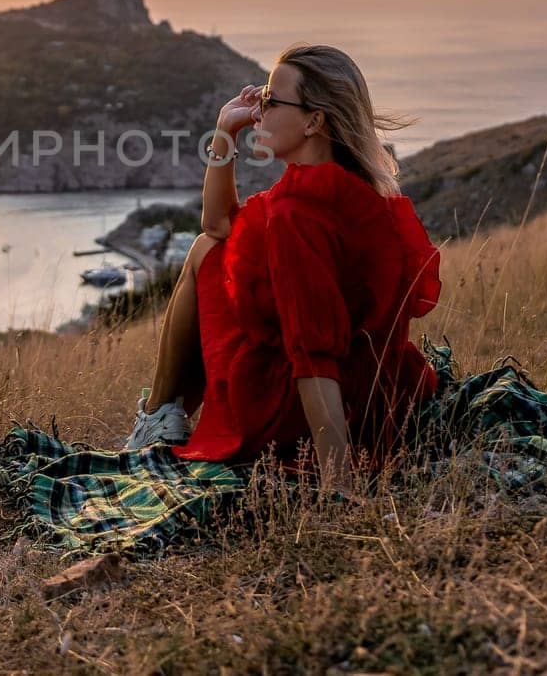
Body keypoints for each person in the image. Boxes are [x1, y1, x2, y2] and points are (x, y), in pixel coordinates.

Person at [123, 44, 443, 497]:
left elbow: (313, 353)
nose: (259, 113)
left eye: (272, 102)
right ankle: (159, 416)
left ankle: (156, 417)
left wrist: (339, 482)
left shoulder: (297, 215)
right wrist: (224, 132)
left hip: (303, 410)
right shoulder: (338, 186)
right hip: (377, 387)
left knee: (203, 252)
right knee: (208, 249)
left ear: (314, 121)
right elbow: (218, 225)